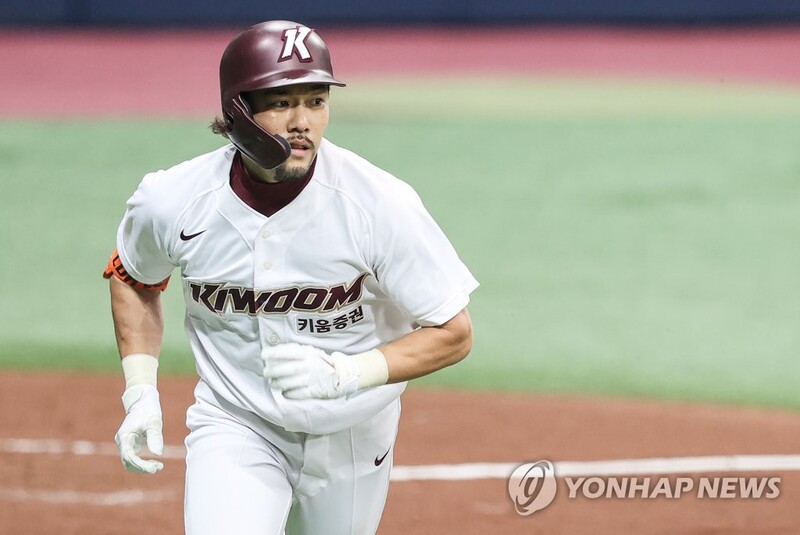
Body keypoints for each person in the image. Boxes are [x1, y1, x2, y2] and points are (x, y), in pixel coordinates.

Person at [104, 20, 478, 535]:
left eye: (317, 101)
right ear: (239, 111)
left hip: (352, 431)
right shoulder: (173, 200)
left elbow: (453, 332)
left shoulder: (378, 204)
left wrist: (347, 375)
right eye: (282, 103)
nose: (303, 121)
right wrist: (139, 390)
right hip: (236, 422)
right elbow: (133, 276)